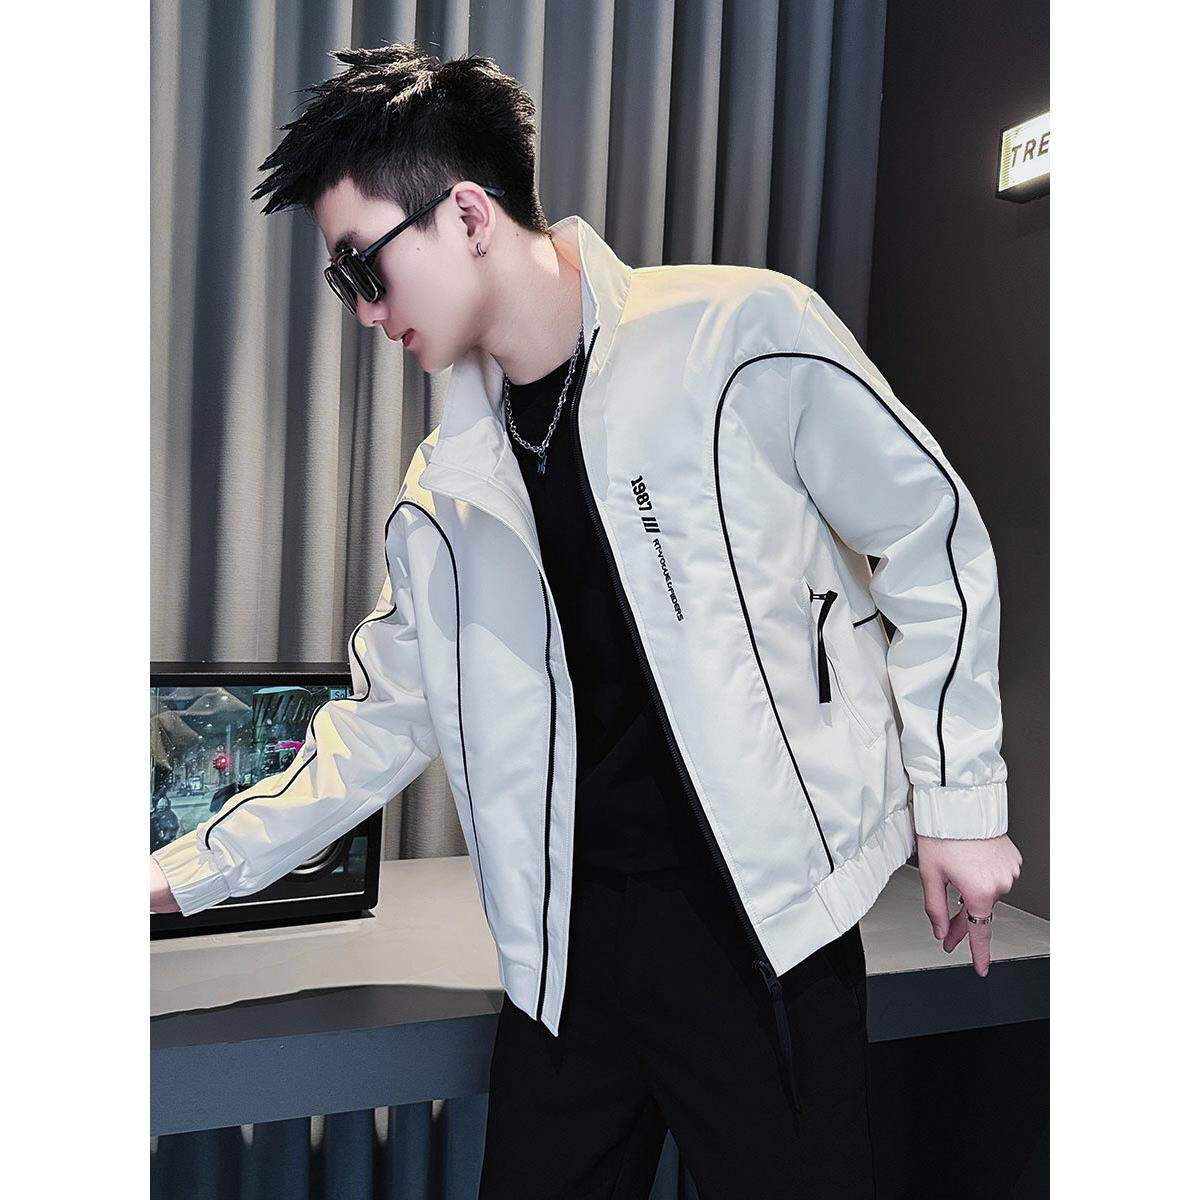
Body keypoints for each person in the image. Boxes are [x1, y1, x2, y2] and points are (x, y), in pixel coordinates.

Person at [151, 44, 1023, 1197]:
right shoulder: (444, 488)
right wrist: (177, 876)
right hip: (564, 953)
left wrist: (960, 801)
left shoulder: (734, 335)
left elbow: (931, 533)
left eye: (363, 266)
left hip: (764, 929)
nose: (363, 312)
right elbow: (381, 723)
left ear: (467, 215)